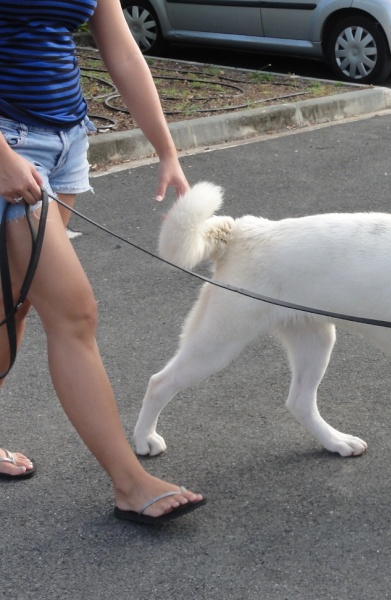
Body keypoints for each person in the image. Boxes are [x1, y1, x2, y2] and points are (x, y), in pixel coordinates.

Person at [0, 0, 205, 524]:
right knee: (74, 314)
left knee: (16, 304)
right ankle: (130, 483)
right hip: (11, 143)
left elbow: (121, 49)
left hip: (65, 143)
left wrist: (167, 149)